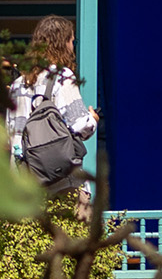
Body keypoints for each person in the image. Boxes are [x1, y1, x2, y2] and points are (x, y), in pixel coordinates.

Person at [8, 16, 98, 188]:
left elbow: (11, 133)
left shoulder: (17, 84)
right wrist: (93, 119)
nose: (73, 47)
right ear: (62, 43)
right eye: (72, 41)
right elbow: (81, 126)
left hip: (22, 180)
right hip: (57, 180)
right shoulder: (62, 77)